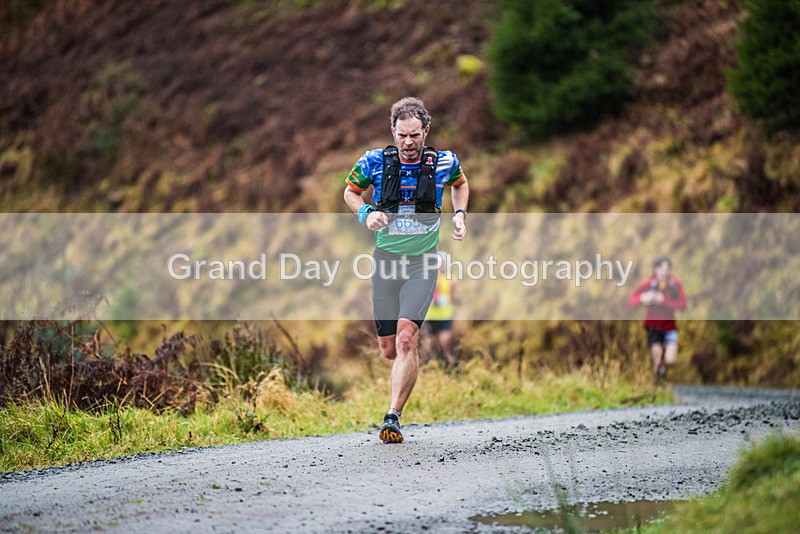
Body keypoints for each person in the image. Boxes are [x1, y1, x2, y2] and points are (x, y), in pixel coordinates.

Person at [343, 97, 469, 443]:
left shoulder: (444, 162)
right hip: (386, 261)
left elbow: (460, 184)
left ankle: (392, 416)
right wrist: (366, 213)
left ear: (426, 131)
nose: (409, 143)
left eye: (415, 135)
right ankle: (405, 363)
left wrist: (460, 214)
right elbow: (350, 192)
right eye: (402, 136)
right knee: (388, 348)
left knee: (405, 338)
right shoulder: (373, 162)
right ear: (392, 132)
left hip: (423, 263)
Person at [628, 256, 687, 382]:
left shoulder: (674, 285)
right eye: (661, 268)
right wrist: (643, 298)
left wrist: (664, 301)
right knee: (657, 356)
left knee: (671, 360)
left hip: (670, 327)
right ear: (655, 269)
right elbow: (633, 300)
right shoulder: (648, 284)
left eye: (667, 269)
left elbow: (682, 305)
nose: (664, 272)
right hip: (653, 326)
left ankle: (662, 372)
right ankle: (658, 385)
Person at [422, 251, 456, 367]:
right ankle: (428, 365)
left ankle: (448, 363)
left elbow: (452, 297)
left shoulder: (450, 280)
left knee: (445, 341)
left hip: (444, 316)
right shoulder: (426, 279)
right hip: (430, 316)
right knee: (429, 343)